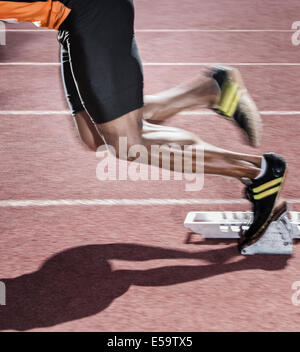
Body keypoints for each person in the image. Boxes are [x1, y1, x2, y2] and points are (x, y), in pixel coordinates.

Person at [0, 0, 287, 251]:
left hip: (90, 11)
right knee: (94, 135)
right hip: (69, 21)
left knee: (128, 144)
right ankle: (209, 91)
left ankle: (259, 173)